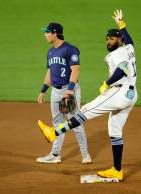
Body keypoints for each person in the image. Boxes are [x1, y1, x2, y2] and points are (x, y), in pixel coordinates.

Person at [37, 10, 137, 180]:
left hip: (119, 92)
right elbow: (129, 39)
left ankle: (55, 132)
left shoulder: (118, 53)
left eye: (112, 38)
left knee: (85, 110)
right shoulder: (129, 48)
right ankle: (117, 170)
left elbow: (123, 69)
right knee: (115, 132)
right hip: (131, 95)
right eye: (107, 38)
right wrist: (122, 24)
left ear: (119, 40)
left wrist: (107, 82)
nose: (108, 41)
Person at [36, 22, 92, 164]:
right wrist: (43, 90)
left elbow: (75, 70)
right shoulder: (50, 52)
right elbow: (50, 72)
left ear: (55, 33)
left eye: (47, 32)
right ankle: (55, 155)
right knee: (57, 123)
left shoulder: (70, 49)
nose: (45, 35)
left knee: (75, 122)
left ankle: (85, 155)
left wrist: (70, 91)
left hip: (69, 89)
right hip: (55, 91)